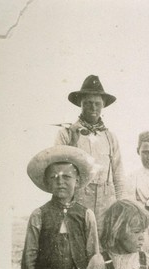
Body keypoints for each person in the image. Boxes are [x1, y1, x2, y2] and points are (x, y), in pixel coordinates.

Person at [55, 75, 125, 236]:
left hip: (107, 205)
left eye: (97, 104)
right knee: (77, 245)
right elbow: (59, 170)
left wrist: (120, 204)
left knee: (104, 249)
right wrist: (72, 143)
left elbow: (118, 174)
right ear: (80, 104)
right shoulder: (65, 133)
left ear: (103, 105)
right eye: (88, 103)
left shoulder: (110, 137)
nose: (93, 108)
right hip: (77, 200)